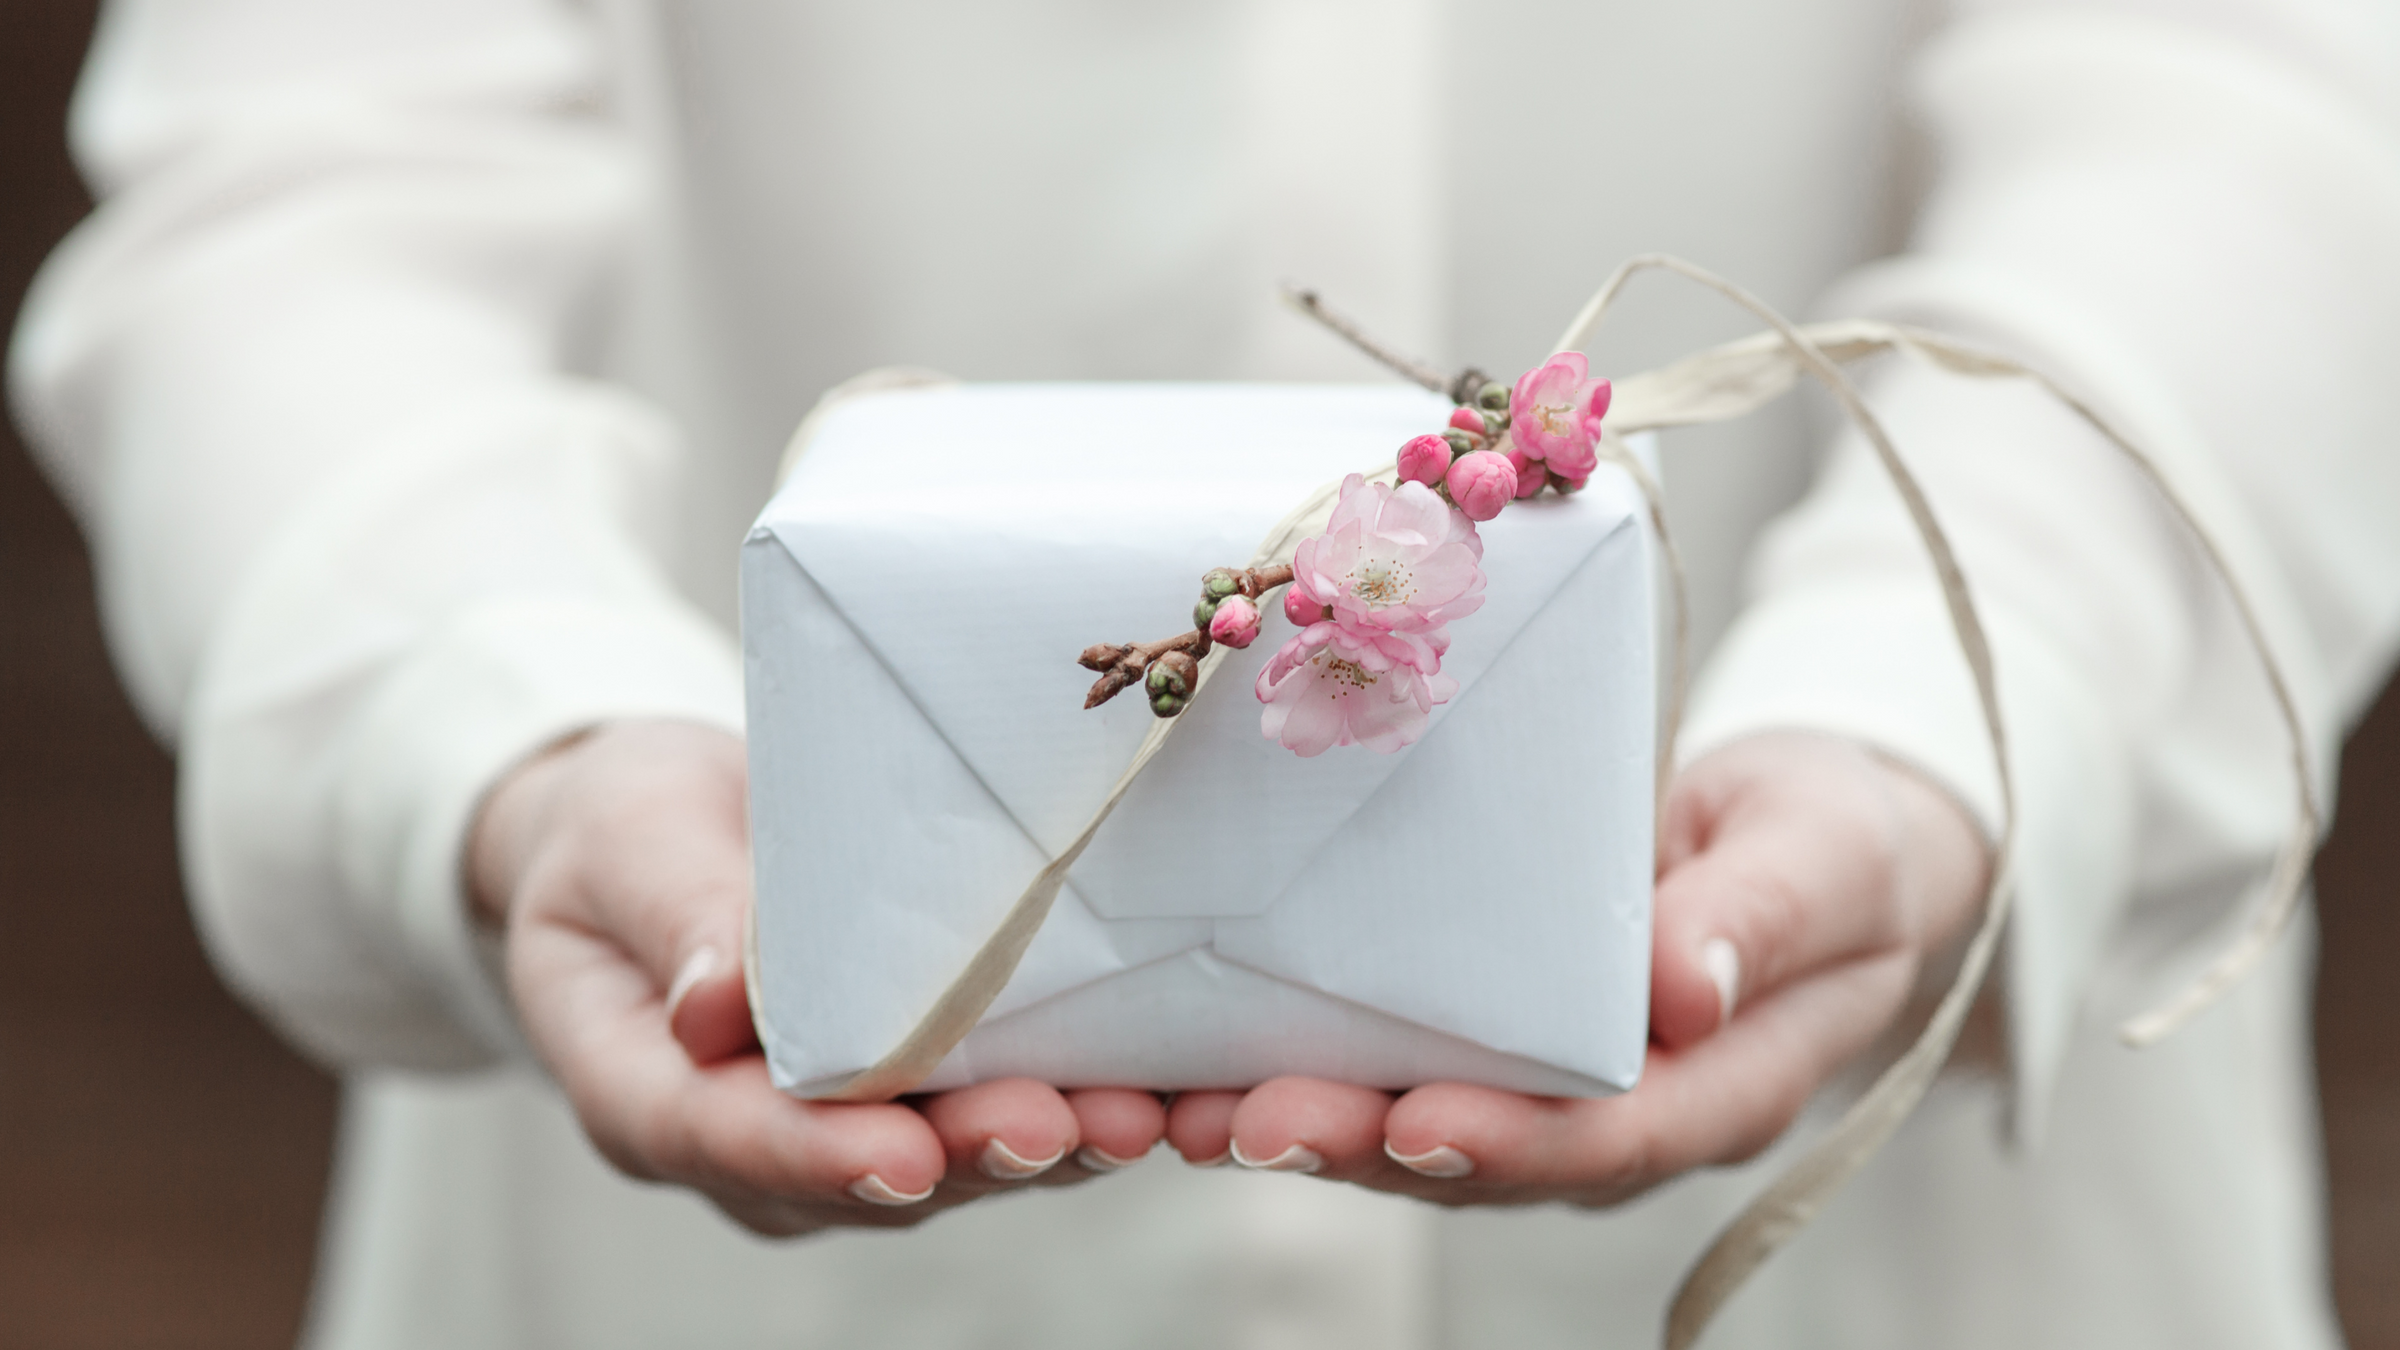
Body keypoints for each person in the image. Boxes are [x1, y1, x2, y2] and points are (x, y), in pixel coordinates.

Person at [11, 1, 2399, 1346]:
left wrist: (1937, 719)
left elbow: (2261, 117)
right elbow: (304, 192)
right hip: (719, 1136)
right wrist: (506, 716)